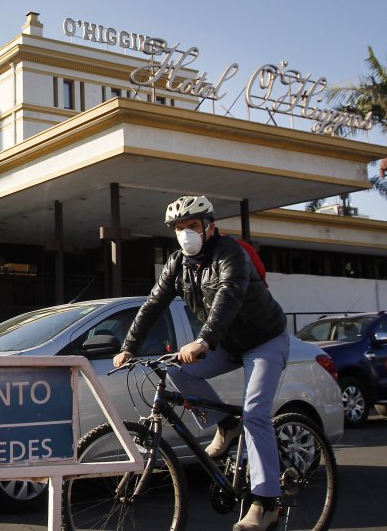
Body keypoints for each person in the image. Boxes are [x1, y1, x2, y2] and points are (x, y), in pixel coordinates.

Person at [113, 195, 289, 531]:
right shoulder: (178, 263)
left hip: (265, 339)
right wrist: (129, 346)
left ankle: (265, 504)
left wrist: (203, 340)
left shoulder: (231, 254)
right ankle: (226, 423)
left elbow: (228, 296)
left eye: (192, 226)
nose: (185, 234)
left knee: (255, 414)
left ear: (210, 227)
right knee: (176, 370)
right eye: (179, 228)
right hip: (227, 343)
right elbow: (153, 304)